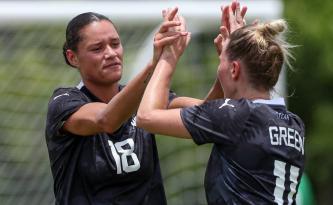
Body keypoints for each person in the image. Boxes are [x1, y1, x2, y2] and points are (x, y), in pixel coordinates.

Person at [136, 1, 306, 204]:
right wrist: (236, 51)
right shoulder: (294, 123)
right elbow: (210, 112)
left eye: (221, 62)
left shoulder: (235, 116)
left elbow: (145, 117)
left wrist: (168, 56)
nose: (219, 67)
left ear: (234, 70)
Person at [45, 10, 191, 205]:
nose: (111, 53)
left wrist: (231, 63)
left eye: (115, 44)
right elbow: (106, 119)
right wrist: (156, 63)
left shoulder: (145, 97)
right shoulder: (64, 102)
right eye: (97, 48)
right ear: (73, 58)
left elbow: (207, 114)